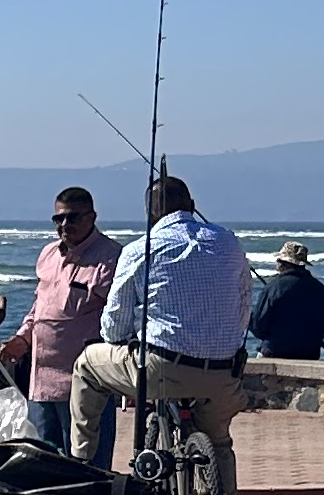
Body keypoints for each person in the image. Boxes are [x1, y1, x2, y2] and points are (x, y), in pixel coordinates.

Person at [69, 178, 253, 468]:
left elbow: (113, 327)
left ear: (150, 215)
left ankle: (80, 463)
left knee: (86, 367)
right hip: (223, 373)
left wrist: (125, 338)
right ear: (192, 207)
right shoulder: (229, 242)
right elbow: (244, 309)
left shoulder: (140, 249)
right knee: (218, 444)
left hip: (161, 370)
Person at [0, 186, 123, 456]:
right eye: (59, 219)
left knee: (86, 466)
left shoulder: (111, 258)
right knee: (41, 460)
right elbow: (40, 307)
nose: (65, 224)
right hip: (40, 381)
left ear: (92, 217)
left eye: (73, 217)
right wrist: (22, 338)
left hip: (84, 384)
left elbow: (120, 318)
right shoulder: (48, 254)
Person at [248, 239, 324, 360]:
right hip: (310, 355)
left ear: (283, 263)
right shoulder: (321, 289)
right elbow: (321, 327)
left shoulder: (274, 287)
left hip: (275, 353)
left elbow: (258, 327)